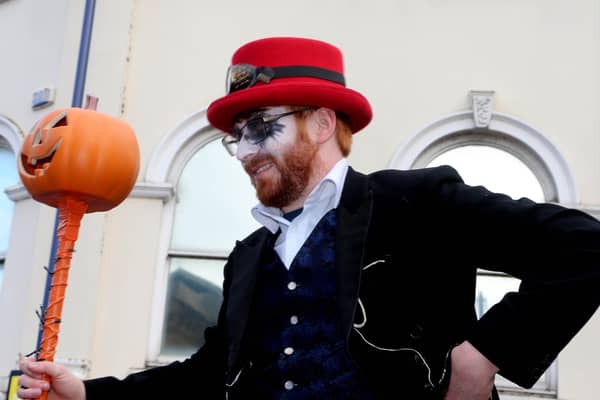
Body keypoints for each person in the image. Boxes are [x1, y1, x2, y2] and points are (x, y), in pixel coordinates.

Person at [18, 36, 600, 400]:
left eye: (260, 128)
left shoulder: (415, 202)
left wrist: (479, 356)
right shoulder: (250, 255)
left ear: (322, 124)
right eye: (235, 139)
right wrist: (88, 394)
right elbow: (206, 375)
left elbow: (584, 246)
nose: (244, 152)